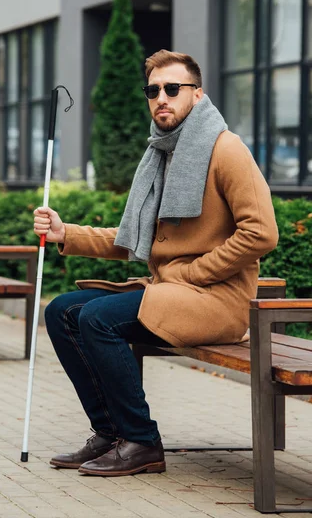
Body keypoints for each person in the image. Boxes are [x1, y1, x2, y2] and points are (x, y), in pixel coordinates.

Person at [33, 49, 278, 477]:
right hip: (171, 292)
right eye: (153, 90)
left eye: (172, 88)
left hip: (218, 300)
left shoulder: (226, 149)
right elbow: (137, 240)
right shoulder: (161, 154)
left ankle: (142, 441)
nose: (161, 97)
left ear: (197, 95)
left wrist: (192, 273)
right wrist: (65, 233)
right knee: (61, 311)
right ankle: (110, 433)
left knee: (97, 318)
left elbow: (261, 233)